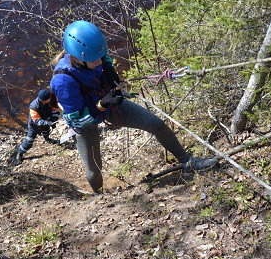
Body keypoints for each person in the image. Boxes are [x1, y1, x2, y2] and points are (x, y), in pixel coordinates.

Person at [50, 20, 217, 193]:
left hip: (107, 101)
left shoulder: (94, 57)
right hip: (86, 120)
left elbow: (104, 58)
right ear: (78, 58)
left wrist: (108, 69)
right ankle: (98, 196)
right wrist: (102, 104)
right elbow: (76, 120)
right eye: (95, 60)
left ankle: (188, 162)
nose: (100, 61)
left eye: (101, 57)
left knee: (156, 124)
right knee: (94, 169)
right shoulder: (63, 81)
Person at [9, 89, 61, 165]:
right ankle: (20, 153)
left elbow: (55, 111)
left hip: (46, 121)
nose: (50, 99)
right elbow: (38, 122)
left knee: (46, 131)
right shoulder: (33, 107)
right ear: (43, 100)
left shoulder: (50, 101)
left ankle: (47, 139)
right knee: (29, 141)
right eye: (49, 99)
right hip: (34, 126)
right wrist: (48, 122)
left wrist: (53, 120)